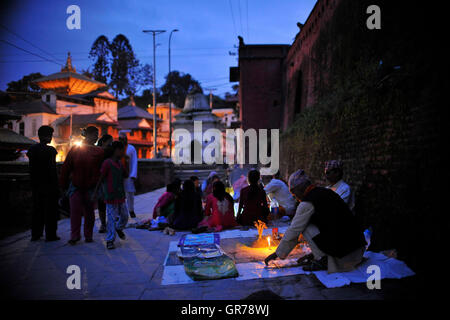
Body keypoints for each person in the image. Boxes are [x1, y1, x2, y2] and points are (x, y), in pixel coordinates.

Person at [264, 169, 366, 273]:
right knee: (308, 223)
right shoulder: (325, 192)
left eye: (294, 194)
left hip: (345, 257)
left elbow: (294, 231)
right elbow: (331, 225)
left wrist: (277, 254)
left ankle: (324, 260)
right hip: (358, 250)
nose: (295, 198)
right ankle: (323, 257)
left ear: (300, 189)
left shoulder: (307, 203)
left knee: (305, 226)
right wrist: (313, 253)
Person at [60, 126, 104, 245]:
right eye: (95, 134)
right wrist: (63, 186)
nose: (96, 137)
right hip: (76, 186)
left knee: (89, 213)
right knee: (75, 212)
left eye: (97, 134)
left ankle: (88, 235)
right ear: (87, 135)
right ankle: (75, 235)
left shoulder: (99, 151)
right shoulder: (75, 149)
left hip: (91, 188)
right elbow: (66, 168)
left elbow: (103, 170)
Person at [93, 141, 129, 250]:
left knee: (124, 216)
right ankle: (110, 240)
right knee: (111, 218)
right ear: (116, 150)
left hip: (120, 195)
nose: (123, 152)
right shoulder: (107, 163)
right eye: (122, 150)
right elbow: (101, 178)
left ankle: (119, 228)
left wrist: (126, 163)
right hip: (110, 195)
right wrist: (96, 192)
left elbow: (125, 175)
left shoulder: (119, 163)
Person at [27, 125, 60, 241]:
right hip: (49, 185)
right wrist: (57, 186)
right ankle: (50, 234)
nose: (51, 137)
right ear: (47, 136)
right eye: (50, 135)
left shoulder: (32, 150)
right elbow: (53, 170)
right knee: (50, 211)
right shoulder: (50, 151)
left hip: (36, 184)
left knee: (37, 210)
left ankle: (36, 234)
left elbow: (31, 169)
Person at [96, 134, 113, 233]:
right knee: (101, 202)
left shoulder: (109, 151)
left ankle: (108, 223)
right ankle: (103, 223)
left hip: (109, 179)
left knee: (109, 202)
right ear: (103, 142)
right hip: (101, 179)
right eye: (109, 142)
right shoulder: (98, 151)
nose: (110, 144)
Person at [119, 132, 138, 218]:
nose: (122, 141)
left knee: (130, 193)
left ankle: (131, 209)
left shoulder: (131, 148)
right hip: (119, 175)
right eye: (120, 139)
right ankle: (120, 211)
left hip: (128, 174)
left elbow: (134, 162)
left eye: (124, 139)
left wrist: (133, 174)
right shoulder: (117, 148)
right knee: (120, 194)